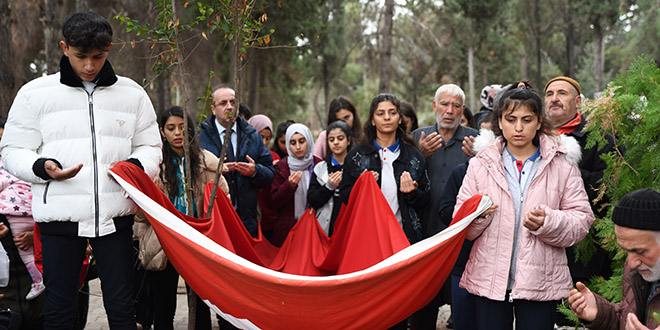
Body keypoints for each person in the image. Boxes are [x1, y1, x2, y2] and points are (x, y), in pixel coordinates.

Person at [0, 11, 162, 329]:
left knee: (121, 306)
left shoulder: (133, 94)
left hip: (115, 219)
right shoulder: (35, 94)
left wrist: (134, 166)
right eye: (80, 56)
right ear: (64, 47)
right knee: (59, 308)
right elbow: (12, 150)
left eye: (97, 57)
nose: (89, 66)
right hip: (59, 217)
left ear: (109, 50)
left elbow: (150, 146)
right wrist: (41, 167)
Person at [454, 82, 594, 330]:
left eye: (527, 119)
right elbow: (459, 222)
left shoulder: (562, 164)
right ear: (499, 121)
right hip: (489, 280)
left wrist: (548, 222)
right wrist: (480, 216)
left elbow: (582, 220)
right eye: (510, 119)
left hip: (541, 280)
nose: (518, 127)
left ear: (539, 122)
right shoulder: (480, 164)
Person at [340, 93, 429, 330]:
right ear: (372, 120)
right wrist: (362, 187)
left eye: (392, 113)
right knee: (367, 304)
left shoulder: (414, 157)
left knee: (397, 307)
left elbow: (424, 200)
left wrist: (411, 193)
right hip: (366, 242)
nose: (387, 118)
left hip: (402, 241)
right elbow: (345, 196)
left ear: (400, 119)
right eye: (381, 113)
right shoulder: (357, 156)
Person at [136, 106, 229, 330]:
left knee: (200, 305)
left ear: (191, 130)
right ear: (162, 131)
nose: (178, 133)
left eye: (183, 127)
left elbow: (223, 200)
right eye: (171, 128)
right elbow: (140, 213)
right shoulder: (154, 166)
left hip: (198, 243)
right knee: (163, 307)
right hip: (164, 242)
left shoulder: (207, 162)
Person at [410, 84, 478, 329]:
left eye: (456, 106)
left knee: (463, 307)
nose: (449, 111)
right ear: (434, 106)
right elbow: (403, 178)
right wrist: (419, 155)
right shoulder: (417, 138)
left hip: (462, 238)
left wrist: (479, 157)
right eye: (444, 104)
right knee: (422, 306)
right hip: (424, 236)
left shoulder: (475, 139)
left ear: (462, 110)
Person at [544, 76, 617, 296]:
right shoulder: (531, 136)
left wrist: (566, 173)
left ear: (578, 102)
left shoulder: (601, 137)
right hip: (541, 248)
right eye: (549, 94)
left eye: (562, 93)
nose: (554, 99)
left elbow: (609, 186)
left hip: (583, 251)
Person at [568, 188, 660, 330]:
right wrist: (599, 313)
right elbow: (627, 319)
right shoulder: (637, 269)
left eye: (640, 251)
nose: (631, 263)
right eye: (626, 251)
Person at [198, 84, 275, 238]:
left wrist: (255, 171)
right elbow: (192, 174)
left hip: (246, 221)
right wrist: (216, 169)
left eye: (233, 102)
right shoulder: (200, 135)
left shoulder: (251, 135)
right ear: (213, 108)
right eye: (223, 103)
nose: (229, 107)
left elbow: (270, 174)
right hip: (214, 219)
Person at [269, 124, 321, 246]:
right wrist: (289, 186)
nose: (298, 147)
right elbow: (273, 202)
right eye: (293, 143)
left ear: (308, 140)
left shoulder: (319, 165)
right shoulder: (281, 168)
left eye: (302, 141)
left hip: (315, 227)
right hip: (287, 232)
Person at [307, 120, 353, 236]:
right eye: (331, 140)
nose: (336, 143)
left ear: (348, 140)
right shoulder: (320, 168)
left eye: (340, 138)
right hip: (325, 229)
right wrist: (329, 187)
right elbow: (312, 200)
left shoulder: (356, 167)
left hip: (350, 226)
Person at [247, 114, 280, 241]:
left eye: (268, 138)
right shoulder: (244, 155)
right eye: (260, 137)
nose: (264, 142)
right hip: (251, 213)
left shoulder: (274, 156)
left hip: (270, 215)